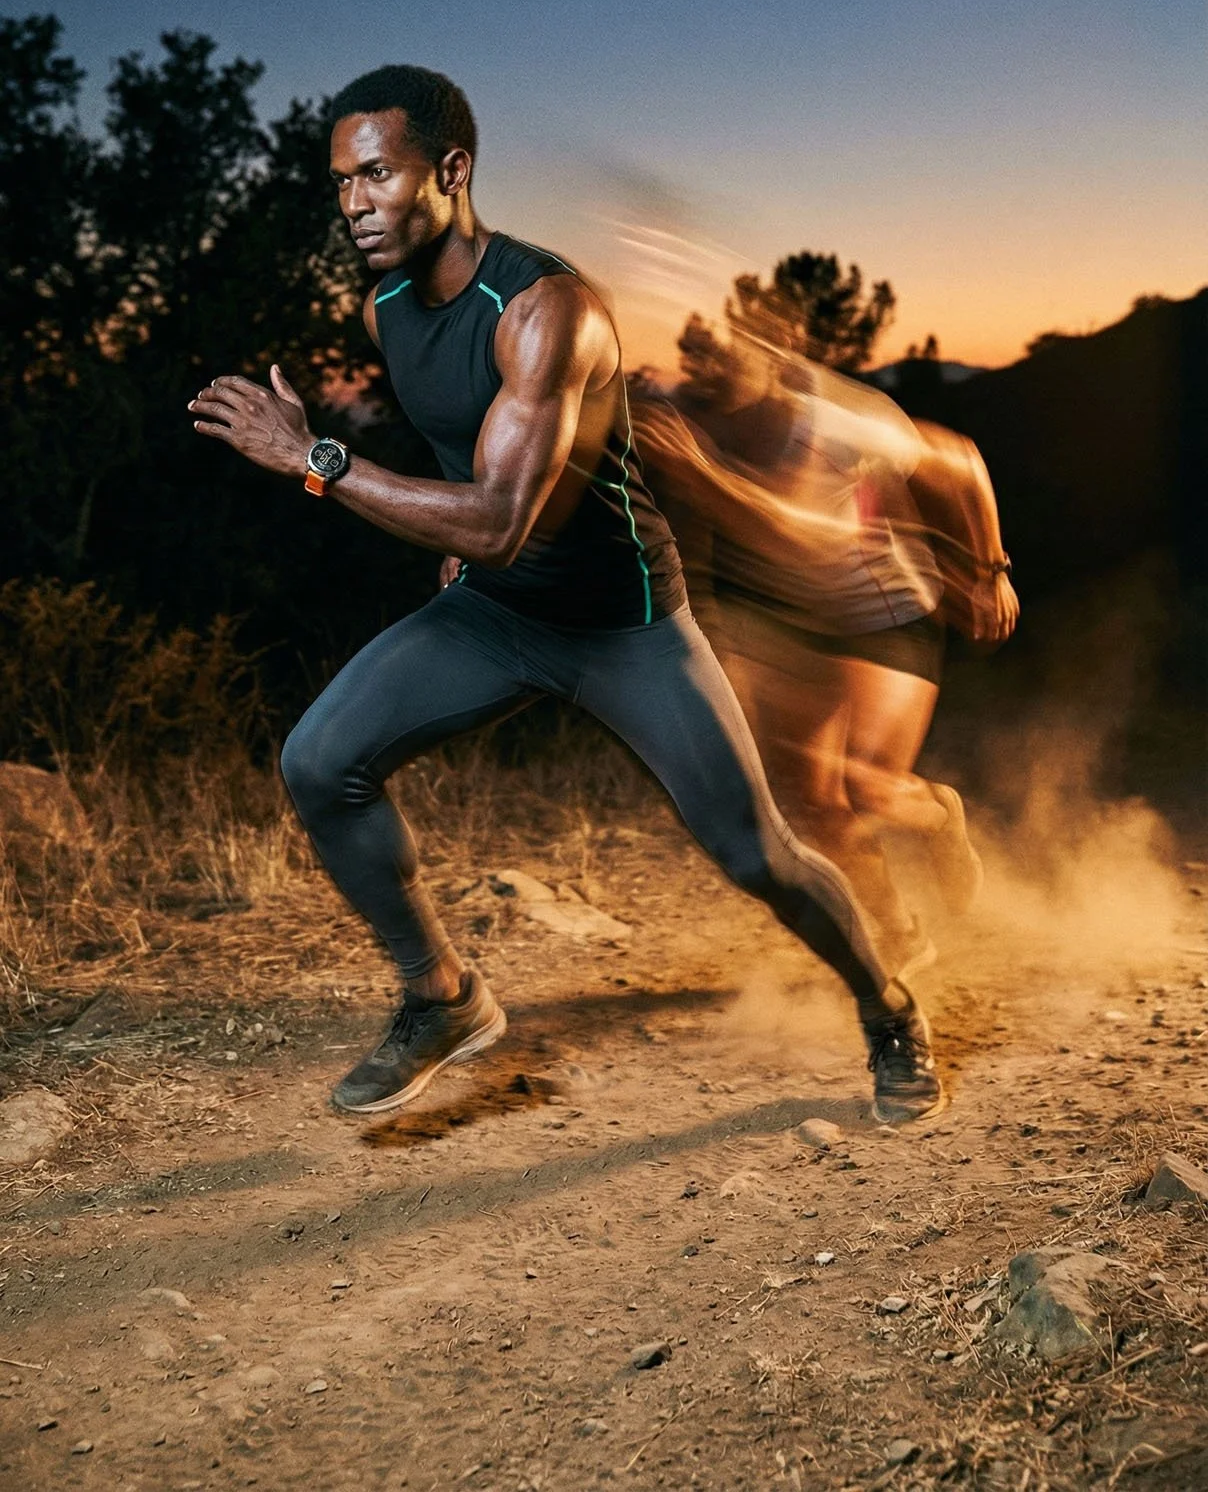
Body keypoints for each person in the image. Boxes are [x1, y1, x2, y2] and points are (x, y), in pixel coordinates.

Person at [188, 64, 943, 1125]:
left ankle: (887, 1005)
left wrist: (315, 457)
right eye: (339, 184)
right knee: (319, 761)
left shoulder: (547, 310)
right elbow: (470, 475)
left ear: (449, 171)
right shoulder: (387, 308)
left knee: (754, 852)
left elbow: (499, 514)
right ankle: (441, 998)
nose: (352, 203)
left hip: (623, 626)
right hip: (494, 615)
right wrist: (446, 536)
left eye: (375, 176)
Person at [635, 322, 1018, 972]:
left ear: (771, 368)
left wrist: (989, 572)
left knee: (865, 787)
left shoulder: (831, 426)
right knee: (812, 803)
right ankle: (899, 935)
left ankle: (937, 816)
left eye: (726, 359)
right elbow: (682, 545)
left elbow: (958, 461)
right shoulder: (693, 431)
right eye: (698, 361)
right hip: (791, 624)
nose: (709, 372)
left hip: (884, 615)